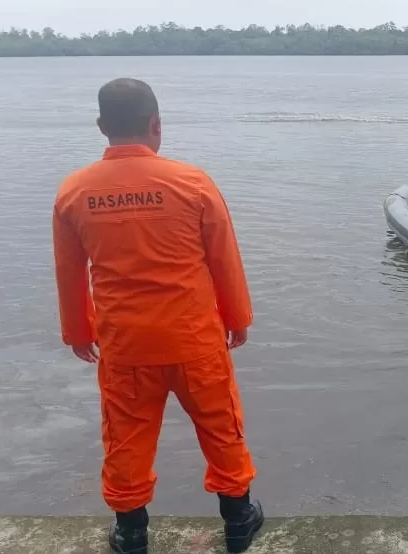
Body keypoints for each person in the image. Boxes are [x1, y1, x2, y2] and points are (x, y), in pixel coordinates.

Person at [52, 78, 264, 554]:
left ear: (103, 127)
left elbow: (69, 271)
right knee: (221, 427)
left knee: (126, 439)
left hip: (125, 347)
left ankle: (131, 533)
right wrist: (238, 318)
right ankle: (238, 522)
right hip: (194, 341)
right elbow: (223, 259)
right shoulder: (192, 182)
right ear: (156, 125)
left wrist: (77, 332)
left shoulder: (75, 192)